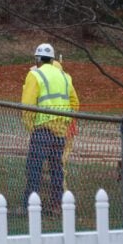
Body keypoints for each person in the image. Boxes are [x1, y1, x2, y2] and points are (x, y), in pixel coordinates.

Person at [22, 43, 79, 216]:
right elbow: (75, 103)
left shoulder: (35, 74)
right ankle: (57, 205)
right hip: (60, 130)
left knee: (34, 168)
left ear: (37, 59)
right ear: (53, 59)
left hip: (42, 128)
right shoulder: (65, 76)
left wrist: (30, 127)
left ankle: (30, 206)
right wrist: (65, 121)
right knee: (57, 168)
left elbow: (28, 105)